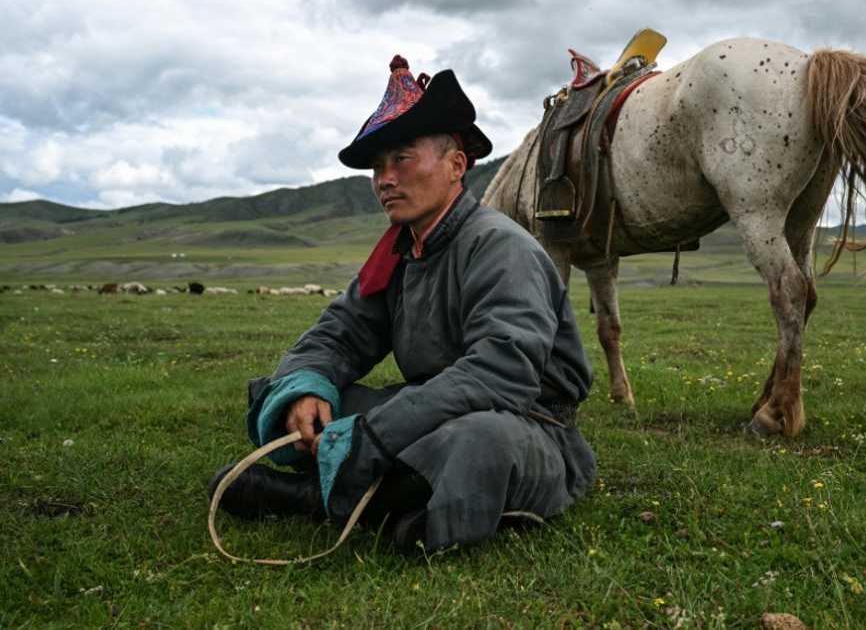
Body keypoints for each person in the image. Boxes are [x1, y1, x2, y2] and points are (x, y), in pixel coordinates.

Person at [209, 55, 596, 552]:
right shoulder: (398, 252)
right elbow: (340, 334)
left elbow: (502, 373)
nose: (384, 179)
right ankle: (377, 496)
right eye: (377, 167)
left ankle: (308, 497)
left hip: (526, 423)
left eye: (402, 159)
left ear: (456, 165)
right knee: (320, 404)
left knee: (475, 442)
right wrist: (307, 389)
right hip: (434, 410)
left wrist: (380, 432)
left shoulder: (501, 246)